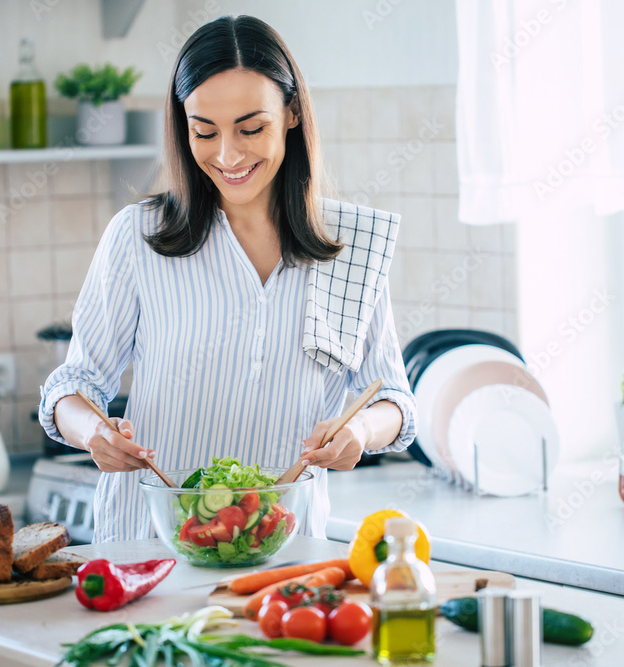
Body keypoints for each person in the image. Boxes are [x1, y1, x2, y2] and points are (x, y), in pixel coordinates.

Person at [39, 15, 416, 543]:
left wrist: (359, 430)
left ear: (290, 114)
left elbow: (393, 399)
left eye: (250, 127)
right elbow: (71, 385)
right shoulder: (139, 236)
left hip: (282, 552)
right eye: (204, 131)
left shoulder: (348, 245)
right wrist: (93, 432)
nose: (228, 155)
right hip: (148, 544)